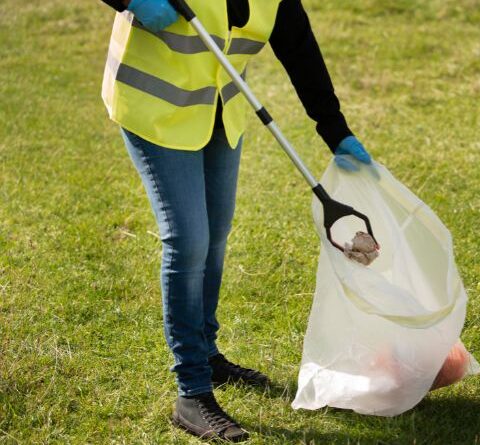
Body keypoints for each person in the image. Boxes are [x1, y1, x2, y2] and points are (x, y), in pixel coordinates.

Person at [98, 0, 372, 441]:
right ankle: (192, 390)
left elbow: (298, 48)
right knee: (188, 241)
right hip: (154, 107)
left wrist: (335, 130)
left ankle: (207, 354)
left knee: (216, 235)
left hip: (219, 110)